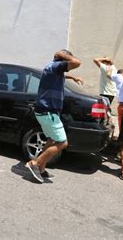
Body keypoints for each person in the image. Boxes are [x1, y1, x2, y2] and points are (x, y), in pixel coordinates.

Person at [25, 50, 82, 183]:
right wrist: (62, 55)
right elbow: (77, 62)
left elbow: (60, 76)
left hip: (45, 111)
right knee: (62, 142)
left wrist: (72, 77)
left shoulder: (52, 68)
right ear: (62, 59)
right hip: (48, 111)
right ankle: (35, 164)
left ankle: (41, 168)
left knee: (51, 140)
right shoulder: (56, 66)